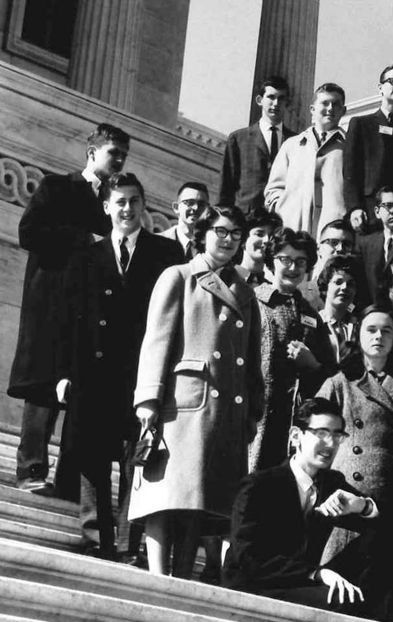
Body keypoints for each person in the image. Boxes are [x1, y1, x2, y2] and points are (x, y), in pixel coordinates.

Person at [129, 204, 264, 578]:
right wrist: (148, 398)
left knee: (199, 501)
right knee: (165, 494)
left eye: (236, 234)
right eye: (220, 231)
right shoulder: (179, 276)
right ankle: (158, 574)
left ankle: (184, 575)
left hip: (223, 411)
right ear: (202, 235)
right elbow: (157, 340)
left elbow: (251, 359)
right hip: (182, 404)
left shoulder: (245, 293)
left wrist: (253, 409)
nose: (228, 240)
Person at [56, 172, 182, 561]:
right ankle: (96, 537)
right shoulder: (85, 258)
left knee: (135, 461)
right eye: (120, 202)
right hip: (92, 377)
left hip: (140, 376)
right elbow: (67, 320)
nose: (127, 209)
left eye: (134, 201)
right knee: (92, 458)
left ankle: (129, 544)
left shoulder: (166, 255)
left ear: (144, 207)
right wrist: (63, 373)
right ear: (107, 207)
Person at [10, 122, 129, 496]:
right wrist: (86, 240)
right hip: (52, 307)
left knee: (81, 396)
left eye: (124, 156)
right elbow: (28, 232)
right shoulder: (57, 187)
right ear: (92, 153)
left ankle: (67, 481)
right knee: (43, 388)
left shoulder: (114, 205)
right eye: (114, 153)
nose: (120, 161)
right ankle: (31, 468)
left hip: (91, 315)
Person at [316, 305, 393, 620]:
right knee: (344, 585)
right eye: (371, 330)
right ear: (360, 335)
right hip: (347, 492)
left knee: (390, 593)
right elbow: (317, 431)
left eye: (386, 330)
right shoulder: (341, 381)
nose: (379, 336)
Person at [222, 398, 378, 616]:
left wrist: (362, 506)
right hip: (255, 585)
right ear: (296, 436)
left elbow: (387, 527)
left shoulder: (331, 483)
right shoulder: (260, 485)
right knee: (344, 601)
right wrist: (318, 574)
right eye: (322, 433)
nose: (331, 444)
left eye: (337, 435)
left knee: (382, 549)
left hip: (299, 583)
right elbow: (249, 557)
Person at [249, 227, 335, 473]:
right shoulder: (252, 302)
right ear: (271, 261)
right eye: (285, 260)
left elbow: (329, 372)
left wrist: (312, 365)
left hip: (294, 421)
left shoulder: (310, 313)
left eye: (300, 261)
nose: (293, 268)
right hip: (256, 415)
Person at [343, 63, 393, 233]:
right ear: (380, 87)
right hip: (370, 212)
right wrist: (354, 207)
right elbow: (351, 171)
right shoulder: (361, 124)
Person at [265, 83, 347, 240]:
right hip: (293, 229)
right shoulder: (291, 145)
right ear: (312, 109)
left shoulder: (350, 147)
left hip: (333, 233)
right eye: (324, 103)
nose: (330, 108)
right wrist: (283, 210)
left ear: (343, 111)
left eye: (336, 104)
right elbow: (273, 189)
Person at [219, 76, 294, 213]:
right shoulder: (238, 138)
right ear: (260, 100)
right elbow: (226, 185)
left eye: (281, 98)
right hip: (245, 217)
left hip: (280, 218)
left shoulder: (296, 141)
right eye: (271, 97)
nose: (276, 103)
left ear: (287, 103)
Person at [315, 254, 361, 365]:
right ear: (326, 286)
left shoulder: (360, 326)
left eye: (350, 284)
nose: (345, 287)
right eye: (338, 282)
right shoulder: (314, 324)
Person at [161, 182, 210, 261]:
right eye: (190, 203)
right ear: (176, 207)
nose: (196, 207)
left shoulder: (211, 248)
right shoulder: (156, 242)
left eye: (201, 204)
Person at [236, 209, 283, 285]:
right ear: (244, 239)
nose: (266, 240)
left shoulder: (272, 288)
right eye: (259, 234)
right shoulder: (227, 279)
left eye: (271, 236)